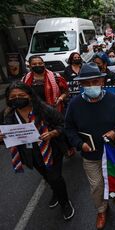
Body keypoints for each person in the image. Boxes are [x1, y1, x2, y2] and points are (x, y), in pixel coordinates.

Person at [0, 81, 74, 220]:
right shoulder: (7, 116)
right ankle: (55, 192)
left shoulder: (44, 109)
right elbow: (7, 138)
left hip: (51, 150)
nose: (17, 99)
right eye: (13, 97)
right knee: (47, 176)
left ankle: (65, 202)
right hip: (29, 154)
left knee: (55, 177)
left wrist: (53, 133)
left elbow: (63, 124)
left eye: (21, 95)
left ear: (29, 95)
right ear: (8, 99)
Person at [65, 63, 115, 229]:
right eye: (87, 83)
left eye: (95, 81)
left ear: (101, 81)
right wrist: (79, 144)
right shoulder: (74, 104)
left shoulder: (114, 99)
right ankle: (101, 209)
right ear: (81, 84)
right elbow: (69, 128)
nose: (92, 86)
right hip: (91, 155)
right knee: (97, 185)